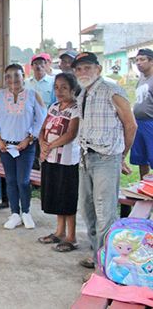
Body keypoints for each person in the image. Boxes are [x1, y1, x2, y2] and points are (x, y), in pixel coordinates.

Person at [74, 52, 137, 269]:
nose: (83, 72)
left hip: (106, 158)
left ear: (98, 69)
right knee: (87, 209)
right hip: (85, 158)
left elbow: (131, 125)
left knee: (105, 213)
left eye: (87, 67)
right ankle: (96, 254)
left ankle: (105, 266)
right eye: (79, 69)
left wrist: (121, 155)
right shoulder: (82, 94)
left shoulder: (113, 91)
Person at [0, 64, 46, 230]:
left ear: (23, 76)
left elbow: (40, 119)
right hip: (5, 146)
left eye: (16, 76)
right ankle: (14, 213)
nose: (13, 80)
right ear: (5, 79)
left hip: (26, 146)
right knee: (11, 180)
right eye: (9, 77)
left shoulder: (33, 95)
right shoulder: (0, 96)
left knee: (23, 181)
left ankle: (26, 212)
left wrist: (28, 139)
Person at [37, 73, 80, 252]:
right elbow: (42, 129)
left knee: (67, 197)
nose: (59, 91)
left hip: (67, 161)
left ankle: (72, 237)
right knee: (55, 195)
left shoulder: (77, 108)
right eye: (56, 87)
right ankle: (59, 232)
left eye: (64, 87)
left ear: (72, 89)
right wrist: (42, 144)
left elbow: (71, 134)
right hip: (50, 159)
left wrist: (50, 146)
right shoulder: (54, 106)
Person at [131, 48, 153, 180]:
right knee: (141, 158)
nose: (139, 63)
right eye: (137, 60)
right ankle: (143, 186)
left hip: (151, 122)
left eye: (142, 59)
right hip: (138, 123)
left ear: (151, 61)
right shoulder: (141, 79)